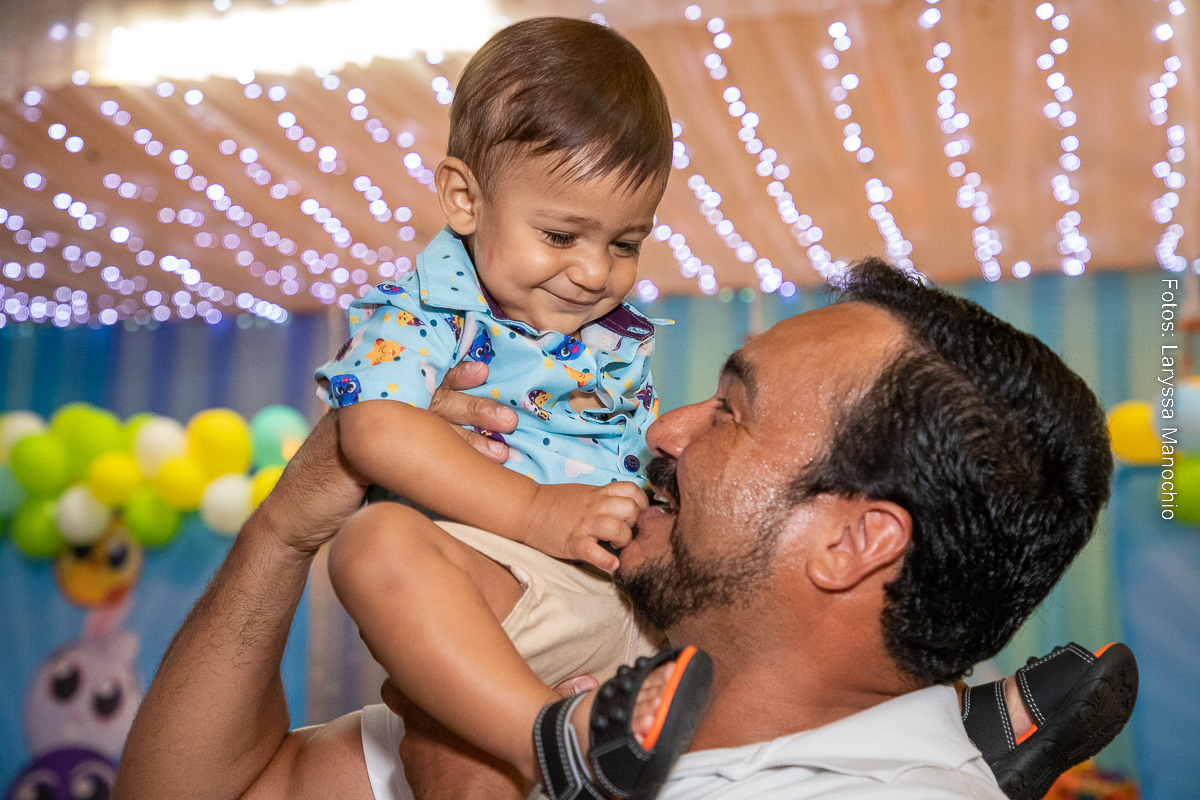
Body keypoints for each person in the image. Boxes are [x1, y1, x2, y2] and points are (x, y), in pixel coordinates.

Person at [115, 259, 1132, 800]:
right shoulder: (584, 685)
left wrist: (480, 766)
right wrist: (286, 528)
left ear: (853, 542)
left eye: (731, 410)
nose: (665, 429)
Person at [311, 16, 704, 791]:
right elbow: (373, 429)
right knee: (371, 545)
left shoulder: (614, 336)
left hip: (634, 607)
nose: (594, 272)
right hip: (504, 595)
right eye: (560, 236)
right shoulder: (426, 314)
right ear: (465, 198)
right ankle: (550, 742)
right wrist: (533, 511)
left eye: (625, 244)